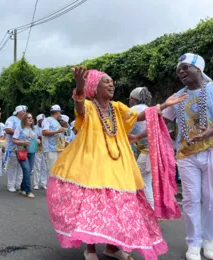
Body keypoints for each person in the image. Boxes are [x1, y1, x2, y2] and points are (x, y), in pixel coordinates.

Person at [46, 67, 186, 260]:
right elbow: (79, 107)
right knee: (94, 205)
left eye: (112, 82)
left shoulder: (117, 107)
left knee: (120, 206)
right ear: (94, 87)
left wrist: (163, 106)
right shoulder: (88, 106)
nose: (111, 84)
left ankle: (112, 248)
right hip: (93, 162)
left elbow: (138, 116)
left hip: (119, 162)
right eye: (106, 81)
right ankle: (91, 249)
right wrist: (79, 86)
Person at [163, 53, 213, 260]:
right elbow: (163, 122)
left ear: (198, 69)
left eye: (185, 68)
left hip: (210, 149)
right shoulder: (177, 96)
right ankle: (193, 243)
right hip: (185, 154)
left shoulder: (211, 90)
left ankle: (209, 240)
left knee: (211, 198)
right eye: (178, 70)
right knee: (192, 199)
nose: (181, 72)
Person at [129, 87, 154, 209]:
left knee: (138, 180)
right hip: (152, 151)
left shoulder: (133, 110)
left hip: (147, 151)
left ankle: (148, 211)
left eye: (130, 98)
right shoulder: (148, 109)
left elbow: (123, 129)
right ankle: (151, 210)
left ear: (133, 99)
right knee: (146, 182)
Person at [13, 113, 39, 198]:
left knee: (28, 170)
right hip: (22, 151)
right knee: (27, 169)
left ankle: (22, 188)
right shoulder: (19, 128)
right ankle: (28, 191)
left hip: (32, 151)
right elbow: (14, 140)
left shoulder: (34, 129)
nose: (30, 119)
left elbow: (36, 139)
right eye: (28, 118)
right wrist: (23, 142)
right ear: (24, 119)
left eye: (31, 118)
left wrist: (38, 140)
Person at [4, 105, 27, 192]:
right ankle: (11, 185)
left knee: (21, 166)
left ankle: (18, 184)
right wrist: (18, 133)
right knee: (13, 166)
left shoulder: (24, 121)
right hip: (12, 147)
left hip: (23, 147)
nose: (25, 112)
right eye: (23, 111)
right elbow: (7, 129)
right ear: (19, 112)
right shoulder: (11, 119)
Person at [42, 105, 67, 171]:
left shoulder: (56, 122)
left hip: (58, 149)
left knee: (57, 171)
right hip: (51, 150)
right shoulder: (47, 120)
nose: (60, 114)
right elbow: (44, 132)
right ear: (57, 112)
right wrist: (58, 131)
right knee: (52, 171)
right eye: (60, 112)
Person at [33, 114, 48, 190]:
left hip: (45, 150)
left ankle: (43, 183)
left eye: (43, 120)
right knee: (37, 167)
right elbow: (32, 138)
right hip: (37, 150)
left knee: (44, 167)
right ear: (38, 120)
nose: (42, 121)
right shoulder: (34, 128)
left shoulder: (46, 128)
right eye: (41, 120)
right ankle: (36, 183)